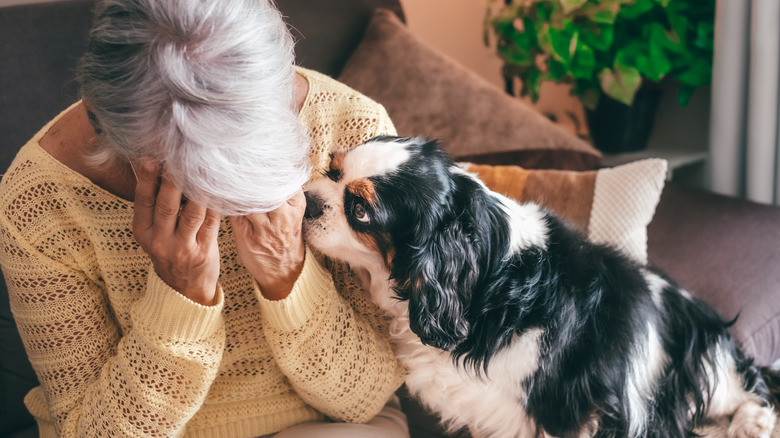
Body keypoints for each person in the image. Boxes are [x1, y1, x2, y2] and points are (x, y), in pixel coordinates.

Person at [0, 0, 409, 436]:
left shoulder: (353, 134)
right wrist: (181, 294)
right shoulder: (36, 201)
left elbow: (364, 396)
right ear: (101, 122)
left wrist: (287, 273)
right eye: (190, 169)